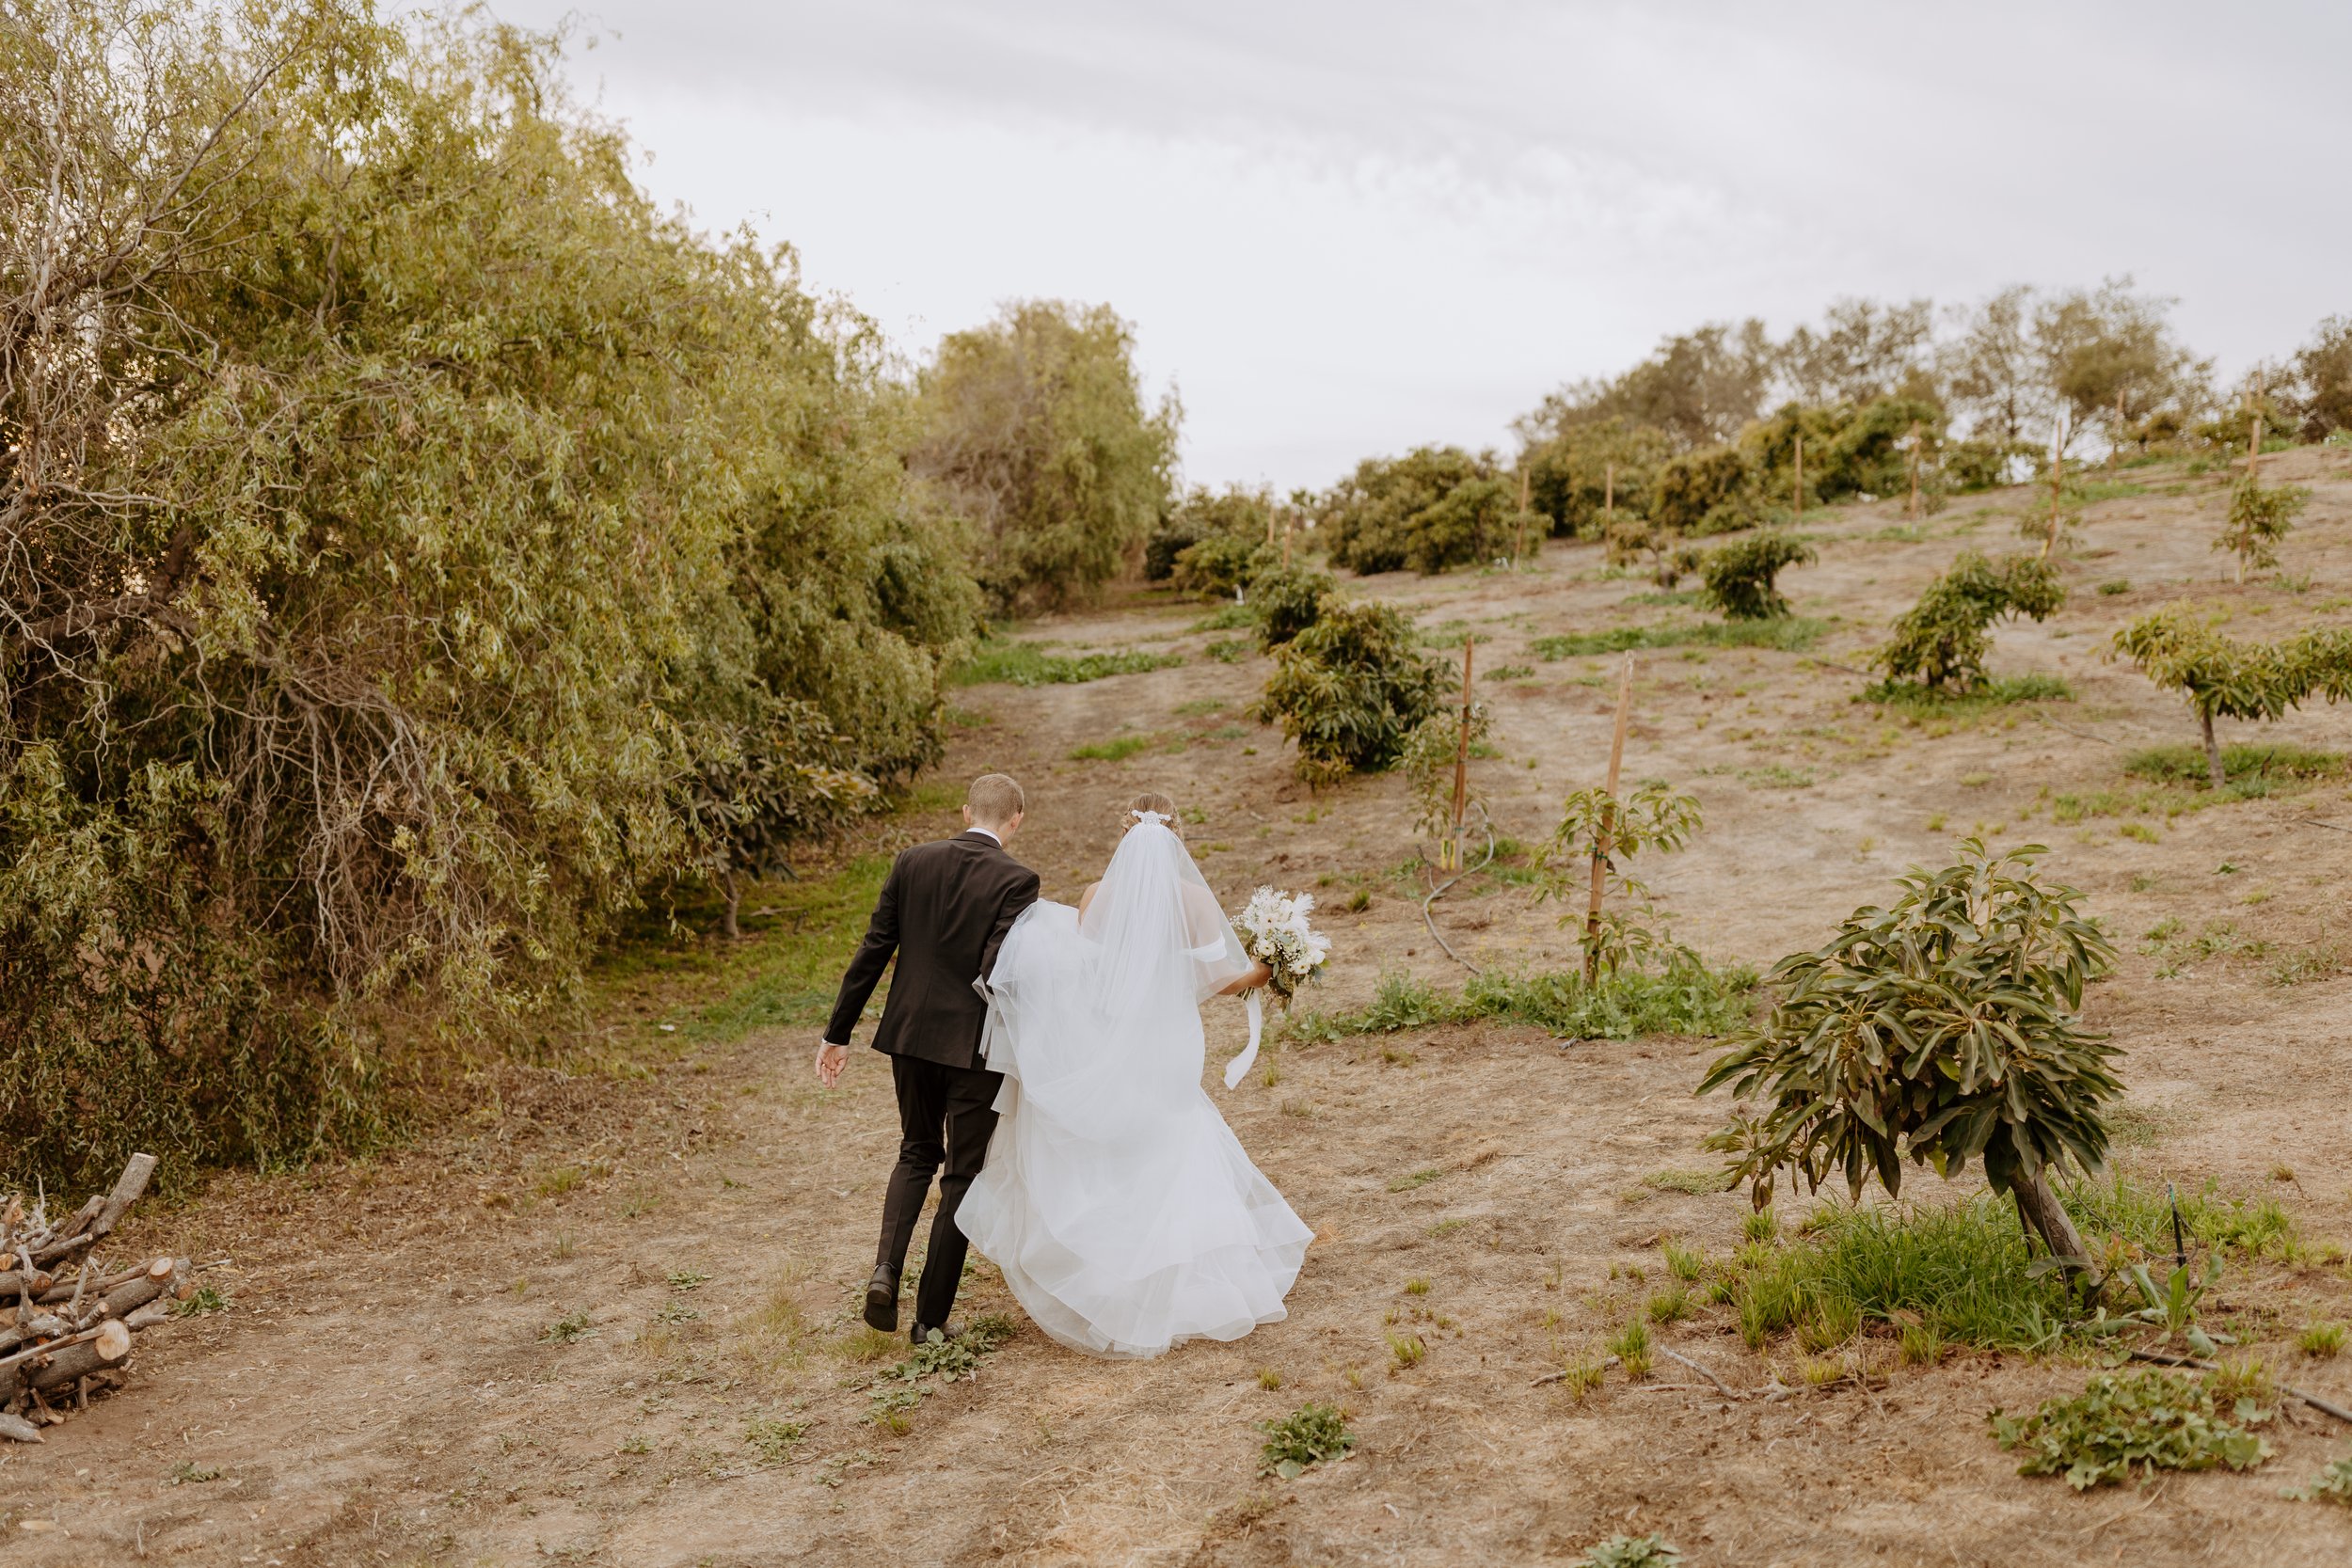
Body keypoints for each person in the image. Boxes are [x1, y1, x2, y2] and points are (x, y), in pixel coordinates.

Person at [952, 791, 1311, 1359]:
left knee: (1127, 1145)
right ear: (1177, 835)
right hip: (1172, 1039)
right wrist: (1269, 968)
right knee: (1176, 1133)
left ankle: (1118, 1277)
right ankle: (1192, 1277)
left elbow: (1083, 975)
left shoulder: (1098, 896)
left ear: (1125, 835)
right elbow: (1224, 979)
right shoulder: (1193, 899)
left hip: (1121, 1038)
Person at [816, 773, 1040, 1345]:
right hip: (973, 1050)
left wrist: (837, 1032)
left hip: (909, 1038)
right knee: (961, 1176)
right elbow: (997, 975)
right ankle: (930, 1323)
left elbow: (875, 947)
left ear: (964, 809)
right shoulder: (1017, 880)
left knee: (915, 1151)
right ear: (1016, 819)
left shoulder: (912, 861)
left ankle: (885, 1271)